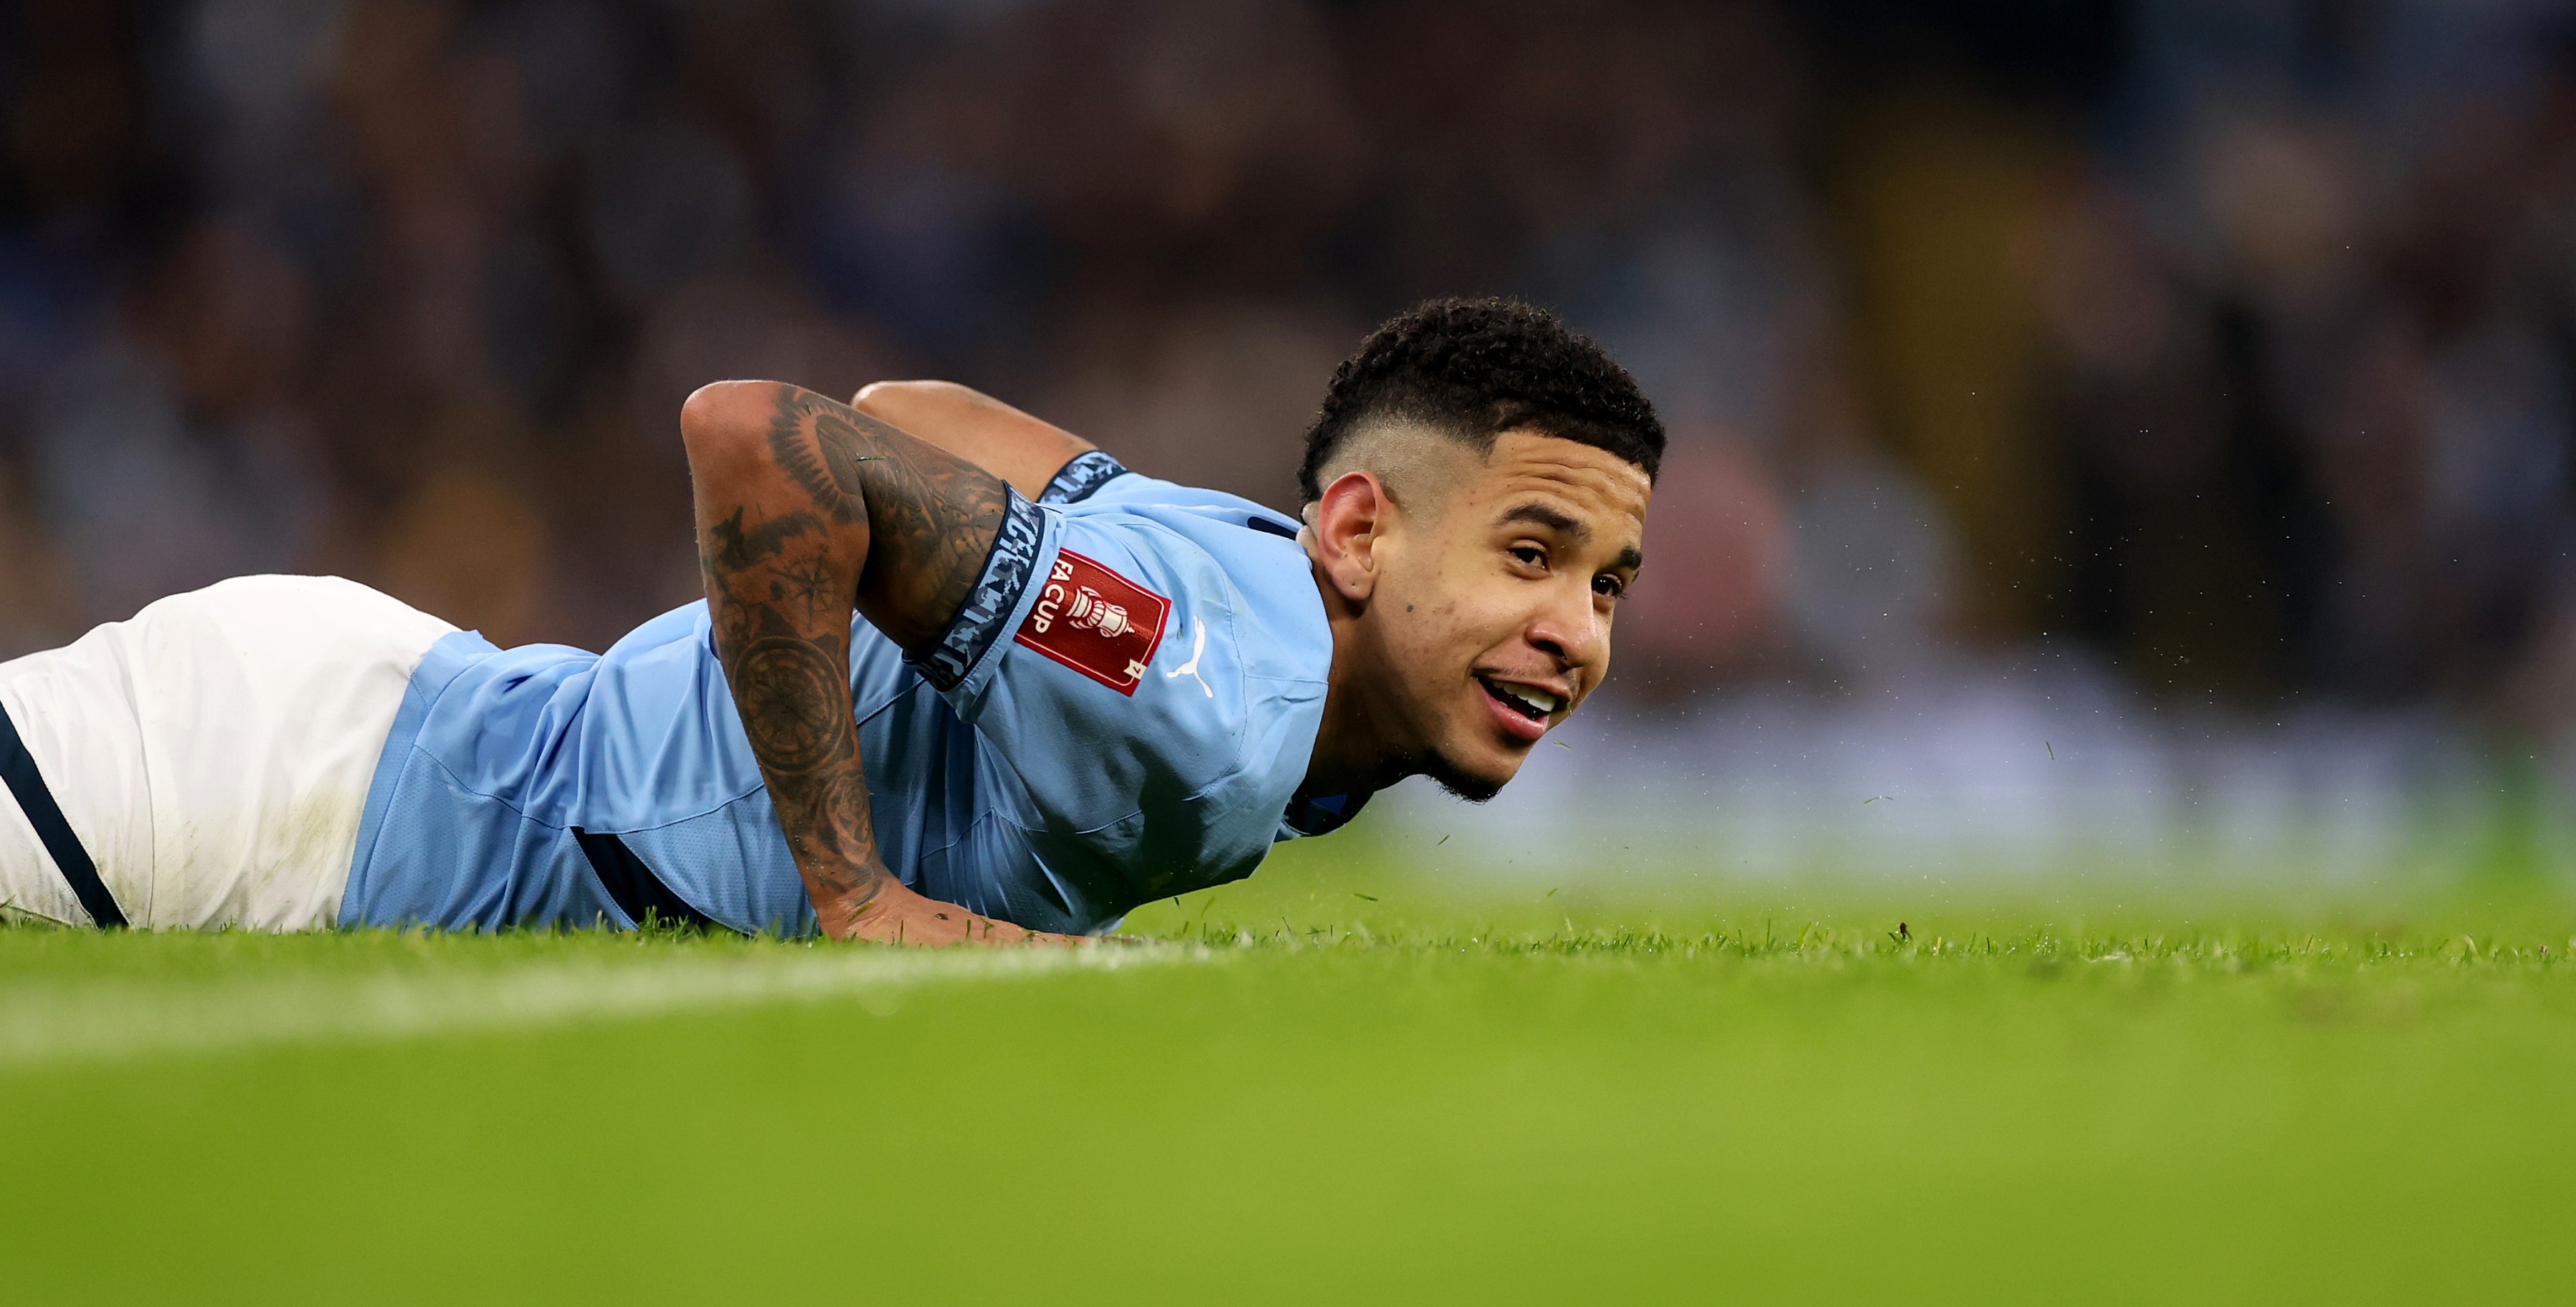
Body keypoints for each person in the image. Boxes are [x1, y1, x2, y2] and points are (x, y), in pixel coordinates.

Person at [0, 298, 1660, 943]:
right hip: (299, 803)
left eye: (1603, 584)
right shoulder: (1204, 692)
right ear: (1358, 530)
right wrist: (851, 892)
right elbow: (767, 435)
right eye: (1529, 552)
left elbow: (909, 407)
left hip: (377, 714)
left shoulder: (1228, 577)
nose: (1573, 631)